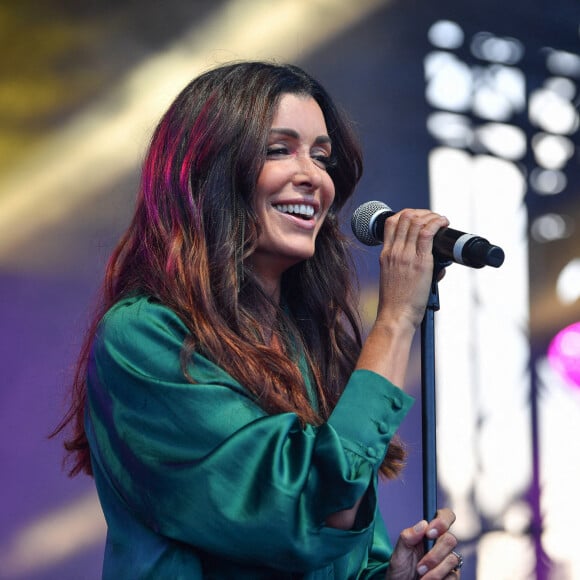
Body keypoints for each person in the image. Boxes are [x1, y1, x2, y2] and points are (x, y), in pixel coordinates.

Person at [53, 60, 462, 579]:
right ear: (211, 171)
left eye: (321, 156)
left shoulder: (310, 348)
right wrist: (396, 319)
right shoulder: (144, 335)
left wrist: (390, 577)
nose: (313, 176)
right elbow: (306, 510)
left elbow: (328, 551)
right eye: (278, 150)